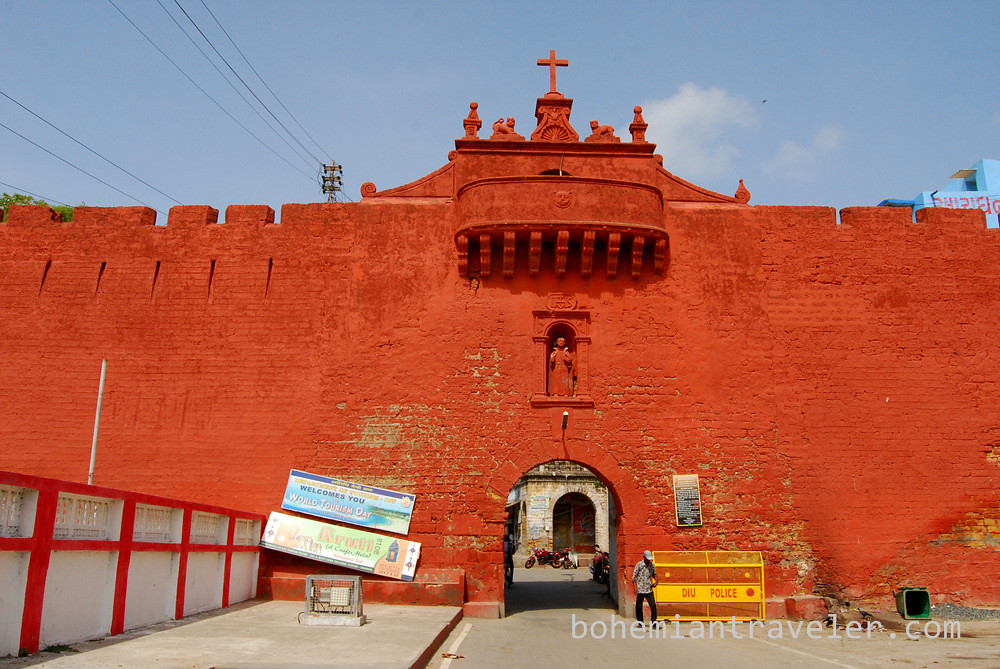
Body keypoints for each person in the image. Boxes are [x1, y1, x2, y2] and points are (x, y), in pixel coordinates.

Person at [632, 550, 657, 626]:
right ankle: (640, 623)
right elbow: (634, 577)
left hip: (649, 589)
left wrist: (656, 581)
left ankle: (654, 623)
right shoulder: (639, 565)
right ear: (644, 557)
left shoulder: (652, 565)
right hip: (640, 589)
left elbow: (654, 574)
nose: (649, 560)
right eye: (647, 558)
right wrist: (635, 588)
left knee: (653, 606)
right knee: (639, 607)